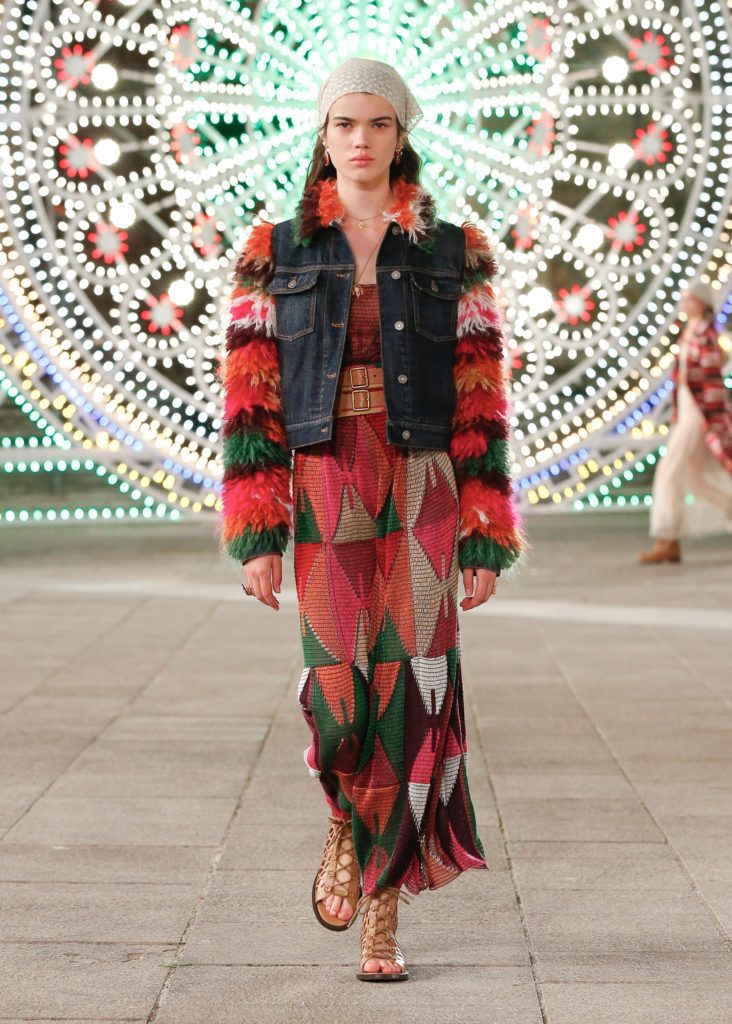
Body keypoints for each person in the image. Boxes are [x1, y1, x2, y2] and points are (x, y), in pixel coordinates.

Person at [218, 57, 525, 981]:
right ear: (323, 135)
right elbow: (249, 399)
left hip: (424, 481)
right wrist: (257, 531)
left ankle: (382, 915)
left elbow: (481, 397)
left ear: (402, 134)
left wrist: (484, 529)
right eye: (345, 123)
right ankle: (343, 820)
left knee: (412, 687)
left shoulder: (455, 252)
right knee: (337, 688)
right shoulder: (274, 251)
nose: (361, 139)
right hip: (323, 479)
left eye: (378, 123)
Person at [639, 280, 732, 563]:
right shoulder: (690, 330)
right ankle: (670, 539)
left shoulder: (705, 334)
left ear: (701, 303)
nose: (684, 303)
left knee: (670, 470)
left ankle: (667, 536)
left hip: (699, 414)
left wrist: (710, 417)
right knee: (696, 477)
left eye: (689, 299)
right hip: (689, 410)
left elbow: (711, 376)